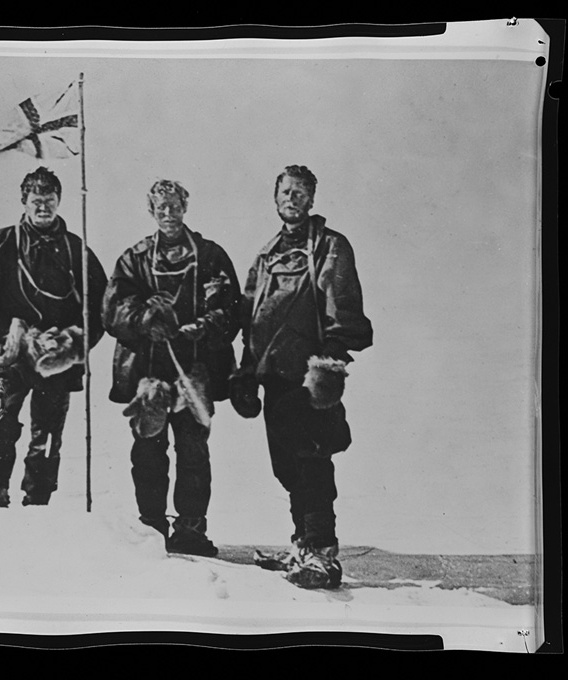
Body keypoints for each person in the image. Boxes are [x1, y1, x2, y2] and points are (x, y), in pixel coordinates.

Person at [232, 164, 373, 588]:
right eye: (285, 192)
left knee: (313, 460)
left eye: (300, 193)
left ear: (312, 199)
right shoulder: (267, 254)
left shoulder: (329, 246)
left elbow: (342, 304)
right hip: (273, 375)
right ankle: (301, 546)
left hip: (309, 377)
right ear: (275, 198)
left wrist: (328, 363)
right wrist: (245, 370)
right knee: (287, 466)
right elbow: (251, 316)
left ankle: (322, 553)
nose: (292, 199)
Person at [102, 179, 241, 556]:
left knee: (194, 450)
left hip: (194, 370)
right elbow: (112, 308)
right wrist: (145, 319)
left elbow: (231, 308)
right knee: (148, 449)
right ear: (151, 211)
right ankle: (151, 526)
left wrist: (206, 325)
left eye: (174, 206)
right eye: (160, 207)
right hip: (149, 371)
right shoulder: (135, 259)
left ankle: (191, 528)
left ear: (185, 207)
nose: (168, 213)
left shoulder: (210, 255)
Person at [0, 166, 107, 508]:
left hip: (56, 358)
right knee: (3, 419)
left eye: (50, 200)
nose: (44, 208)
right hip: (11, 353)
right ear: (24, 202)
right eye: (37, 201)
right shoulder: (4, 244)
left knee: (49, 429)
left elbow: (101, 307)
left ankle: (38, 498)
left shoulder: (75, 250)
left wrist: (73, 342)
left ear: (59, 202)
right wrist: (1, 335)